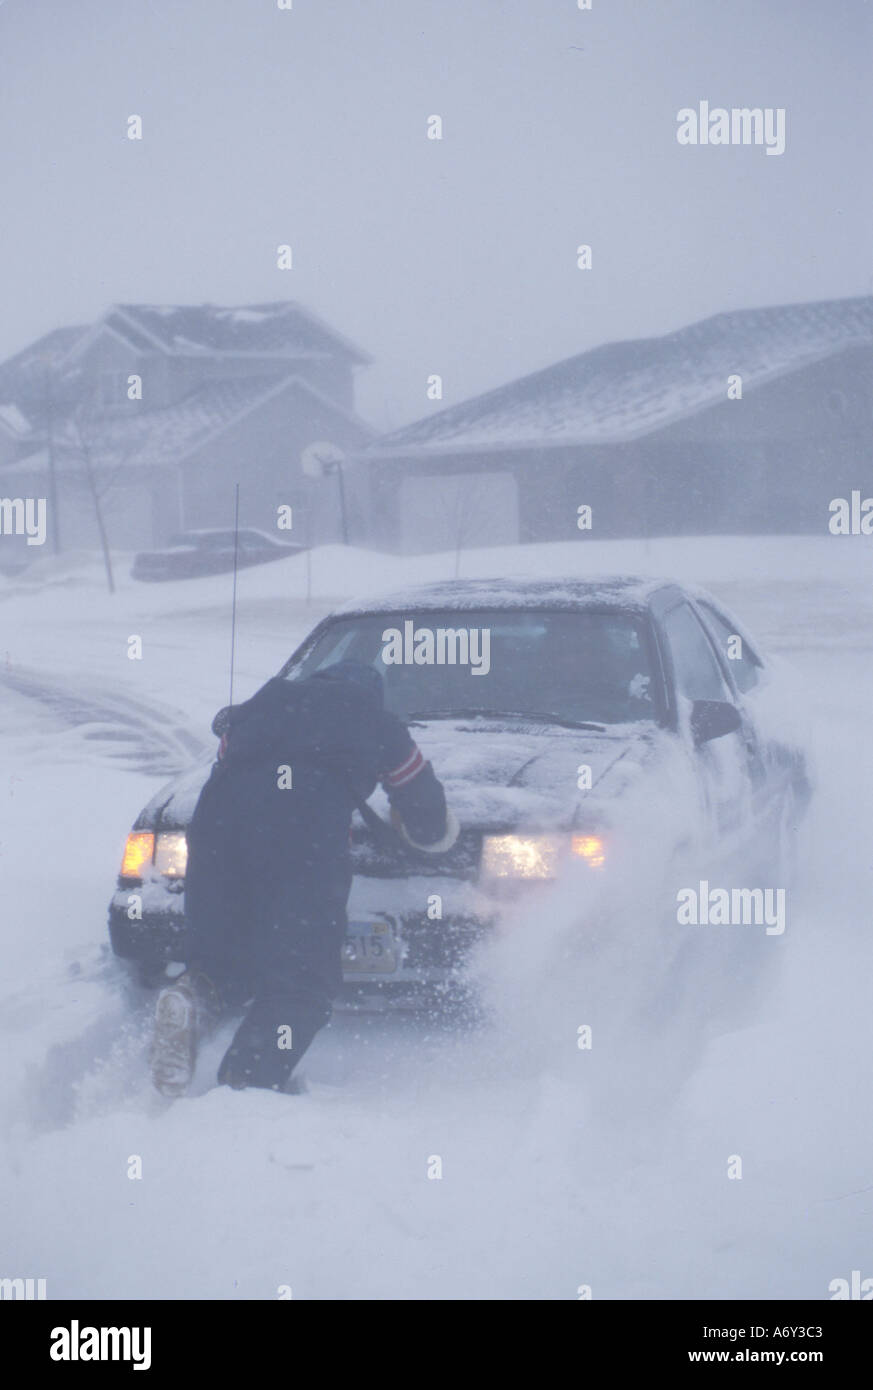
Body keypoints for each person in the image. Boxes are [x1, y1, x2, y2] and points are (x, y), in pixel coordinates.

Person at [150, 660, 458, 1097]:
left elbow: (228, 766)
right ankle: (247, 1085)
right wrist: (433, 833)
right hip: (299, 831)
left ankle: (191, 999)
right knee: (302, 981)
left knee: (224, 960)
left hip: (215, 828)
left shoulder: (265, 703)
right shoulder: (376, 721)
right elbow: (424, 808)